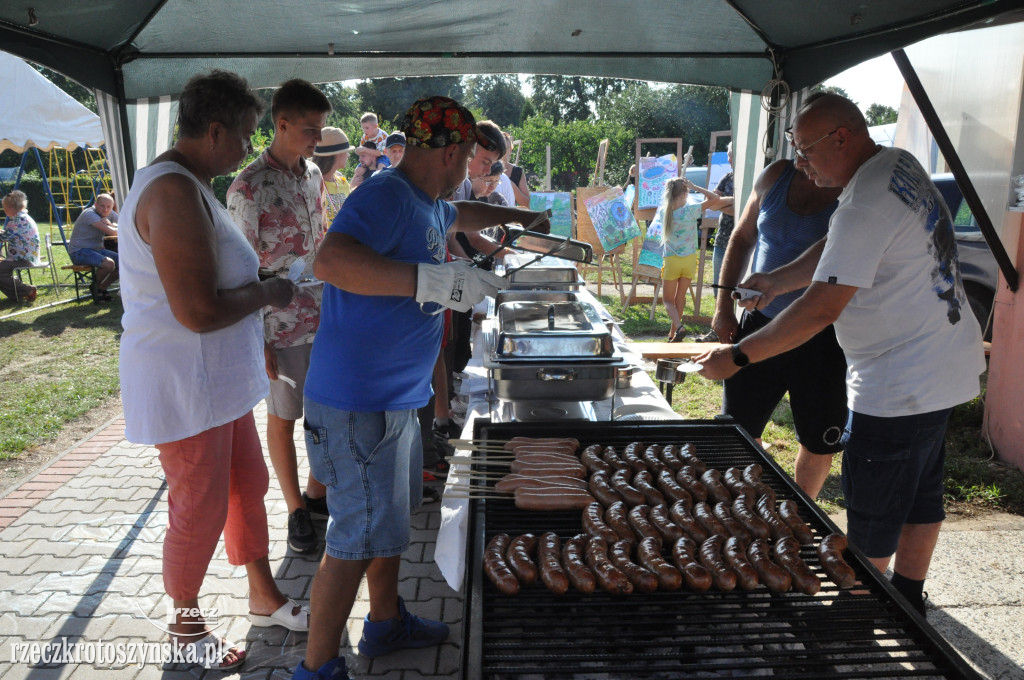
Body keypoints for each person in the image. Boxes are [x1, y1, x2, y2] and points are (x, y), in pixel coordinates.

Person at [697, 94, 985, 616]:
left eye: (806, 150)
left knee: (873, 508)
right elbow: (836, 245)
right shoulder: (894, 165)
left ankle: (857, 613)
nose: (800, 164)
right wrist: (775, 279)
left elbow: (819, 310)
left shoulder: (866, 201)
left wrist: (737, 356)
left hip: (901, 379)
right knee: (922, 495)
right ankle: (908, 597)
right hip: (945, 365)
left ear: (842, 138)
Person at [292, 95, 548, 680]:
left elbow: (459, 213)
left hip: (397, 398)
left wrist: (519, 220)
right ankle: (315, 667)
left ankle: (384, 623)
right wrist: (430, 280)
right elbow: (329, 260)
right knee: (353, 538)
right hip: (359, 402)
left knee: (392, 520)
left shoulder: (428, 201)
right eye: (469, 157)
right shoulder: (384, 194)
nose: (471, 169)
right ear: (453, 151)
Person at [118, 70, 309, 672]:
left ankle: (261, 594)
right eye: (247, 135)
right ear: (215, 129)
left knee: (244, 487)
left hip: (218, 382)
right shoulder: (172, 191)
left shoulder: (193, 185)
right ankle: (186, 626)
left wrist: (257, 322)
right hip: (186, 385)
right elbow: (198, 310)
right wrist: (270, 292)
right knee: (197, 508)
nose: (249, 149)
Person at [227, 78, 331, 556]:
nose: (317, 139)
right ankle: (294, 510)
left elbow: (323, 239)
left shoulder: (313, 174)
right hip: (277, 322)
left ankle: (316, 496)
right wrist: (257, 339)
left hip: (325, 313)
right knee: (285, 417)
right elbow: (240, 269)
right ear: (281, 123)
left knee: (327, 411)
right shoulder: (248, 187)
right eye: (310, 130)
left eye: (321, 130)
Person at [711, 157, 846, 499]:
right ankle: (742, 504)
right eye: (794, 141)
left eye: (807, 146)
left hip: (824, 336)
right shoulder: (775, 175)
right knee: (738, 429)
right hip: (760, 322)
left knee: (817, 440)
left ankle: (802, 512)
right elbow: (741, 237)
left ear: (836, 141)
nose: (800, 157)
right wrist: (723, 305)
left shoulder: (853, 188)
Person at [689, 143, 735, 341]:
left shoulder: (749, 179)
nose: (729, 159)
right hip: (722, 238)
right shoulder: (727, 177)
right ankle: (717, 332)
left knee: (739, 289)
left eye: (731, 155)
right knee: (719, 287)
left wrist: (729, 203)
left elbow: (742, 208)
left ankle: (734, 331)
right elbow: (714, 202)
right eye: (728, 155)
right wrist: (731, 202)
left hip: (743, 241)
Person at [657, 178, 709, 343]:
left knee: (667, 300)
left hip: (672, 261)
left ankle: (678, 328)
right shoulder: (691, 210)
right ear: (685, 194)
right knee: (680, 299)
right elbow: (714, 199)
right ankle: (673, 335)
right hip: (689, 260)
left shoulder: (664, 212)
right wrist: (696, 187)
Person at [68, 192, 119, 302]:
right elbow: (112, 233)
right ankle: (96, 288)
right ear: (95, 205)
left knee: (124, 263)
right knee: (109, 264)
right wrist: (112, 226)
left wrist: (111, 224)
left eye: (109, 207)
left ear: (112, 206)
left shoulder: (110, 213)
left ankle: (100, 288)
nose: (105, 209)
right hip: (79, 251)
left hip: (97, 250)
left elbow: (126, 224)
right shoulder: (89, 214)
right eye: (102, 206)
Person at [449, 119, 506, 201]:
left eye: (492, 164)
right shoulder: (440, 181)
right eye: (485, 162)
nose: (488, 171)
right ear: (469, 150)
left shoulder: (466, 187)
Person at [0, 190, 39, 302]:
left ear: (11, 207)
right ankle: (18, 295)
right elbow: (12, 234)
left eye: (4, 207)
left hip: (21, 258)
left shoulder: (16, 220)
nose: (4, 209)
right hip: (29, 255)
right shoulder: (24, 217)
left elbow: (3, 238)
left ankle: (26, 290)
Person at [311, 126, 352, 223]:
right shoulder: (311, 184)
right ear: (337, 154)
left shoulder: (343, 183)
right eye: (346, 152)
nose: (348, 155)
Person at [499, 131, 530, 207]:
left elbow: (526, 203)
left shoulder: (517, 172)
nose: (503, 151)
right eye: (501, 147)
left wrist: (509, 184)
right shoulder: (486, 169)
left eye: (507, 148)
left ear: (510, 150)